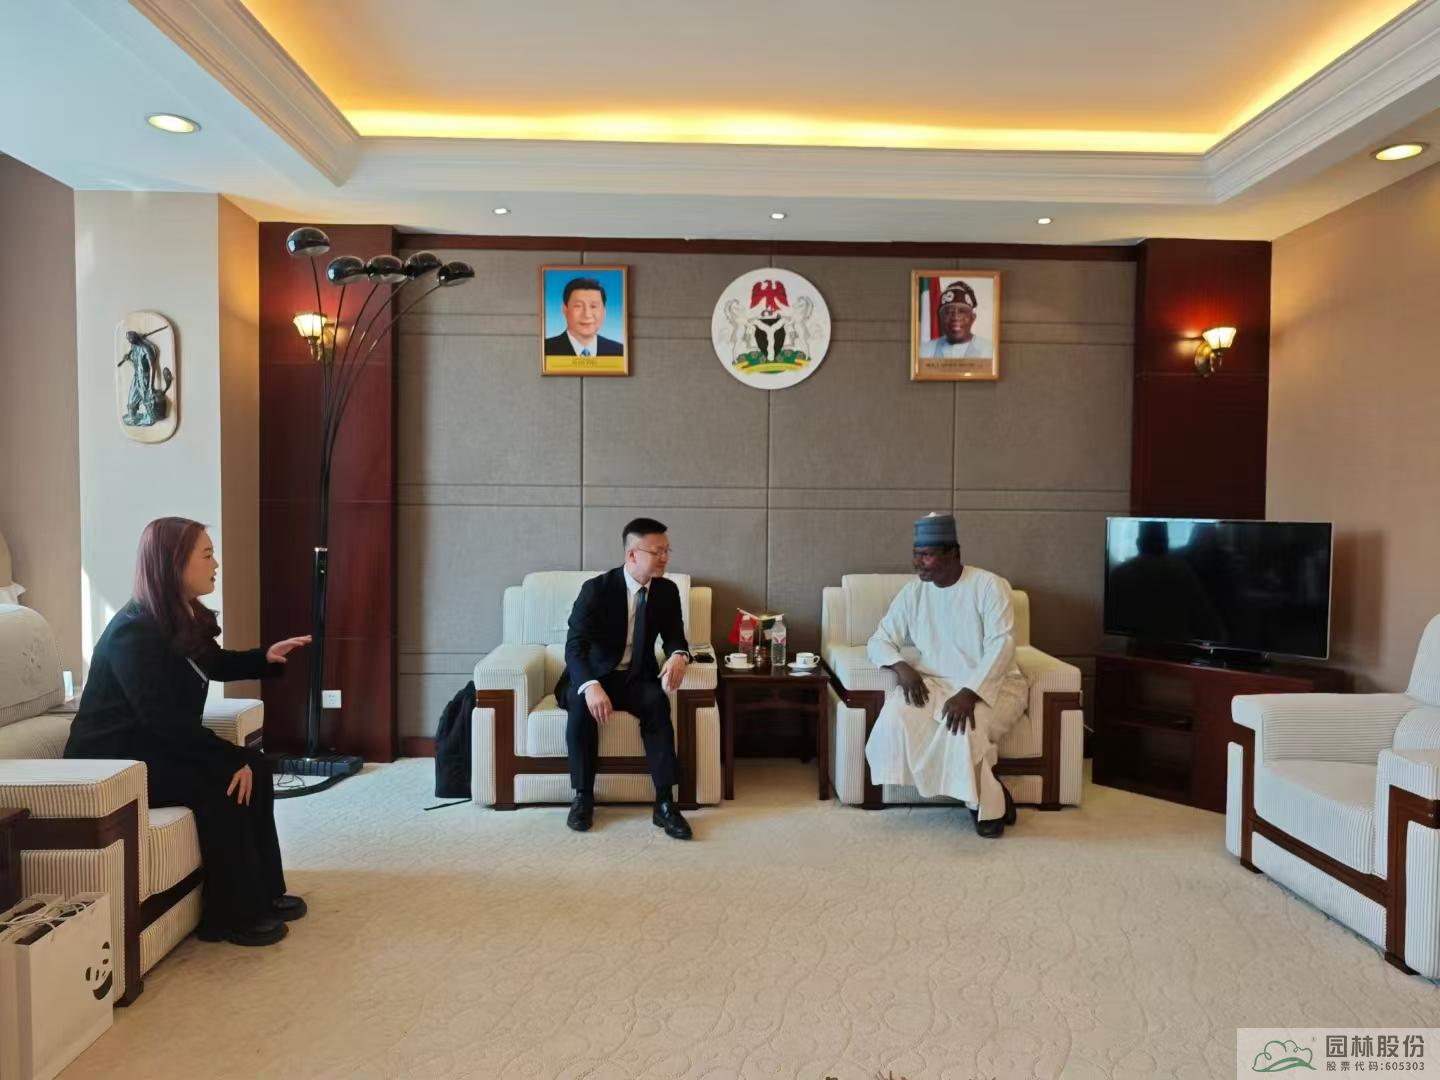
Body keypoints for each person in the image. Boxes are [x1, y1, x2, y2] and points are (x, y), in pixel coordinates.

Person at [65, 517, 312, 945]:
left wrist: (264, 658)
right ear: (174, 564)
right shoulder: (132, 632)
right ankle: (229, 917)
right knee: (225, 784)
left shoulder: (178, 615)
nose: (216, 564)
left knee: (256, 768)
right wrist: (227, 759)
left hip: (150, 748)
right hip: (114, 763)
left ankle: (264, 894)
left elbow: (213, 663)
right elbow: (163, 722)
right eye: (207, 555)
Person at [864, 513, 1026, 838]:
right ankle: (992, 793)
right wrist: (902, 667)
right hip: (935, 683)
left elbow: (1002, 646)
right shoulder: (913, 593)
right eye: (916, 554)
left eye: (926, 555)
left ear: (953, 553)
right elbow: (879, 640)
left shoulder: (989, 586)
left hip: (994, 686)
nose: (917, 563)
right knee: (896, 716)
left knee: (962, 728)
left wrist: (969, 693)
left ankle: (987, 808)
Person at [555, 517, 692, 838]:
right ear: (632, 555)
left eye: (667, 550)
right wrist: (590, 686)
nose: (665, 558)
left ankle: (665, 803)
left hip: (635, 677)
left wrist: (678, 655)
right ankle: (583, 797)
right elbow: (575, 647)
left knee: (657, 702)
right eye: (657, 552)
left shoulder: (667, 591)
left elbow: (675, 635)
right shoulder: (597, 590)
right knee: (580, 706)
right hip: (594, 675)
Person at [543, 277, 624, 357]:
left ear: (604, 312)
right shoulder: (546, 349)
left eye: (593, 306)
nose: (587, 314)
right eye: (578, 306)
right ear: (564, 310)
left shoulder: (619, 351)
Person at [920, 280, 994, 358]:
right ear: (940, 317)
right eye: (948, 312)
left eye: (962, 311)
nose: (955, 317)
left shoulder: (990, 351)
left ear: (973, 318)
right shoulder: (923, 351)